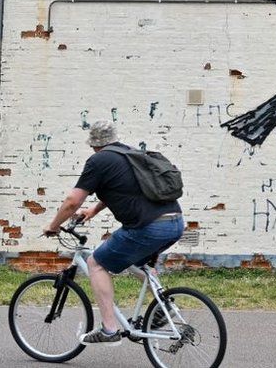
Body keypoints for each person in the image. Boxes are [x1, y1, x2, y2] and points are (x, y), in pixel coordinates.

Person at [43, 121, 183, 345]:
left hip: (148, 227)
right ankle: (165, 305)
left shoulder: (98, 160)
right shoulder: (130, 154)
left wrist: (53, 225)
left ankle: (109, 329)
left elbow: (72, 201)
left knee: (96, 263)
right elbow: (123, 189)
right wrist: (94, 210)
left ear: (95, 145)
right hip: (174, 222)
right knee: (136, 261)